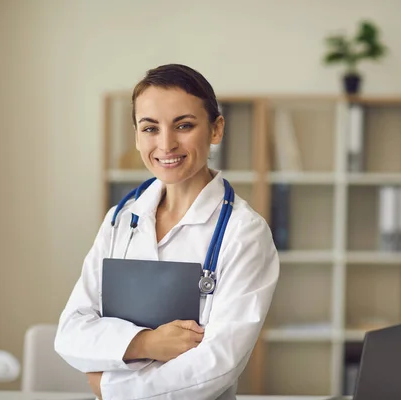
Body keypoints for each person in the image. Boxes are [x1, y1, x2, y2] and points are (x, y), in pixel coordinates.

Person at [54, 64, 279, 400]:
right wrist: (147, 343)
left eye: (184, 125)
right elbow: (71, 332)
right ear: (136, 135)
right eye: (150, 128)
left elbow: (219, 363)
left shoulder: (244, 232)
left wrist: (112, 387)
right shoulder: (121, 219)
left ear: (216, 129)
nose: (166, 144)